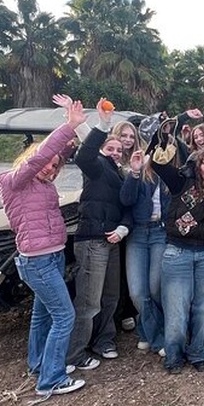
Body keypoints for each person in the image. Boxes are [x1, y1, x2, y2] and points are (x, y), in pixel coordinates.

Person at [0, 97, 86, 397]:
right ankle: (52, 379)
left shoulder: (43, 185)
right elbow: (40, 156)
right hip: (37, 260)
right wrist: (68, 125)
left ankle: (39, 364)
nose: (50, 168)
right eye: (47, 163)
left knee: (43, 314)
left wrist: (71, 137)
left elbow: (56, 153)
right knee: (65, 316)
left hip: (52, 255)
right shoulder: (15, 181)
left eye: (55, 166)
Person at [148, 99, 204, 373]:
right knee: (176, 309)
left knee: (203, 308)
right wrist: (174, 122)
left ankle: (197, 350)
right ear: (196, 161)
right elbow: (158, 155)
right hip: (177, 252)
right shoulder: (180, 180)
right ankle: (173, 355)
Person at [66, 98, 130, 370]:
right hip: (92, 239)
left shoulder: (120, 173)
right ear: (103, 150)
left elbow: (127, 204)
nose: (115, 152)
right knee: (88, 302)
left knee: (110, 296)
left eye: (118, 149)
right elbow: (84, 155)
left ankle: (104, 340)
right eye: (110, 148)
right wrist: (102, 124)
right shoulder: (96, 167)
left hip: (112, 240)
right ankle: (73, 354)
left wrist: (123, 227)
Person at [120, 146, 169, 355]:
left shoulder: (167, 176)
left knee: (156, 287)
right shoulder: (137, 173)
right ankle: (157, 335)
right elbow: (126, 199)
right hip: (138, 234)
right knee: (138, 292)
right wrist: (135, 171)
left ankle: (147, 331)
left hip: (160, 232)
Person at [111, 120, 141, 332]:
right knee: (117, 271)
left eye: (131, 136)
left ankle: (129, 311)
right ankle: (117, 314)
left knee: (129, 270)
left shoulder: (137, 160)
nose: (128, 140)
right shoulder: (110, 157)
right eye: (124, 135)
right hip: (113, 218)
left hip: (133, 220)